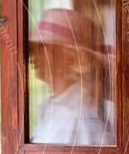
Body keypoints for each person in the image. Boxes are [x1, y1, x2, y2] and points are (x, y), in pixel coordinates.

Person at [28, 8, 114, 146]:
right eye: (33, 48)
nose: (33, 55)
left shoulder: (81, 118)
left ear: (70, 56)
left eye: (42, 46)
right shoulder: (56, 109)